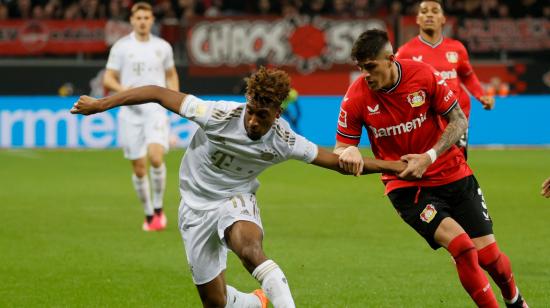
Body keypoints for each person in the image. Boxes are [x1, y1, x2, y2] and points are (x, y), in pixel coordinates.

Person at [72, 67, 406, 308]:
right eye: (250, 112)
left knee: (250, 252)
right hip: (194, 205)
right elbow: (158, 93)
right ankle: (256, 302)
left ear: (277, 114)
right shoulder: (217, 114)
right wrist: (102, 104)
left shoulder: (284, 140)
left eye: (262, 115)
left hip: (235, 200)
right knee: (215, 302)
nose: (252, 121)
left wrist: (396, 166)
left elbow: (336, 162)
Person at [335, 29, 527, 308]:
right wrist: (348, 151)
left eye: (370, 66)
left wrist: (429, 156)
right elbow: (342, 151)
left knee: (490, 257)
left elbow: (458, 120)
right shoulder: (355, 97)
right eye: (360, 68)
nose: (364, 74)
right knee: (462, 248)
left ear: (389, 59)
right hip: (407, 188)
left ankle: (515, 299)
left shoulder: (422, 74)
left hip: (452, 172)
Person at [103, 2, 179, 231]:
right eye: (139, 18)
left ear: (152, 20)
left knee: (156, 158)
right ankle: (148, 214)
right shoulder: (121, 47)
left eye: (147, 17)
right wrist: (124, 91)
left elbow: (171, 75)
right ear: (132, 21)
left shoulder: (163, 47)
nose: (143, 21)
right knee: (138, 167)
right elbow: (108, 79)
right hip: (130, 112)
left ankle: (158, 210)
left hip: (155, 109)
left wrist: (174, 101)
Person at [395, 0, 495, 159]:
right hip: (425, 118)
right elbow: (397, 86)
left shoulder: (457, 48)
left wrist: (481, 95)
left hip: (456, 115)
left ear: (443, 19)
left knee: (457, 161)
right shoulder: (405, 53)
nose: (429, 14)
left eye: (435, 11)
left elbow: (467, 75)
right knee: (427, 164)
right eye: (424, 11)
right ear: (417, 19)